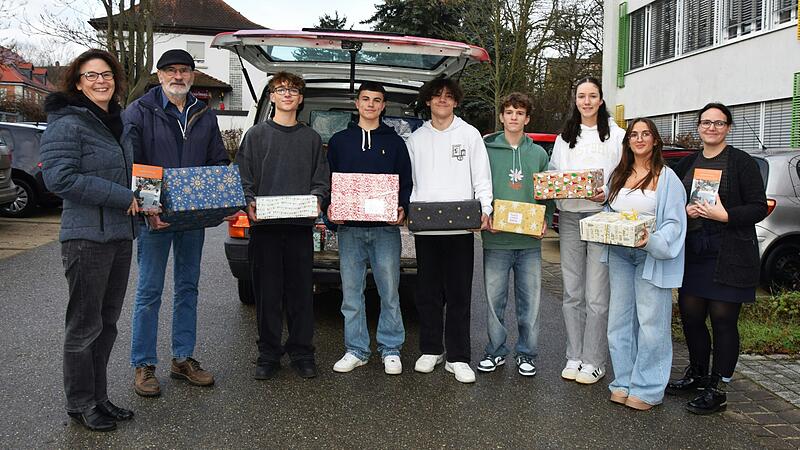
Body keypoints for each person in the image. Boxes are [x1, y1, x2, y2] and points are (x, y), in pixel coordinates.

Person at [41, 48, 139, 432]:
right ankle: (80, 402)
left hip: (119, 235)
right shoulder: (68, 123)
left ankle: (98, 396)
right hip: (86, 239)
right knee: (84, 326)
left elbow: (126, 177)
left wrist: (144, 201)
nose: (101, 81)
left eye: (107, 75)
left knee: (108, 323)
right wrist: (123, 197)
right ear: (78, 83)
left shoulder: (116, 121)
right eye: (91, 76)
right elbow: (59, 179)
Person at [124, 49, 229, 397]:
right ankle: (144, 364)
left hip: (192, 219)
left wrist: (223, 200)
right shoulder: (140, 112)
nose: (178, 76)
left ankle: (182, 358)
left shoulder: (204, 114)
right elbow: (134, 163)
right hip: (155, 218)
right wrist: (151, 209)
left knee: (188, 288)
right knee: (149, 292)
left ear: (193, 76)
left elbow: (217, 161)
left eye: (185, 70)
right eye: (171, 70)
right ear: (159, 75)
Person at [669, 103, 768, 414]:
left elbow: (758, 207)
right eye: (706, 122)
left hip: (730, 251)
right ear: (698, 126)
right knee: (691, 316)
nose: (712, 128)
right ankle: (698, 374)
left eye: (719, 123)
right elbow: (673, 203)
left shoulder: (742, 163)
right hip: (695, 250)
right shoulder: (687, 163)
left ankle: (718, 387)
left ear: (728, 127)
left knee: (724, 320)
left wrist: (727, 215)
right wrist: (683, 211)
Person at [237, 71, 331, 380]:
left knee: (301, 293)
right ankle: (268, 354)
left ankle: (302, 352)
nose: (287, 94)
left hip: (299, 228)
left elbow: (321, 181)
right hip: (264, 228)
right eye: (280, 89)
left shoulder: (311, 138)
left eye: (293, 90)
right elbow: (244, 177)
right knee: (267, 293)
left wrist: (318, 199)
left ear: (301, 99)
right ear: (273, 96)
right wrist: (248, 200)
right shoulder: (255, 136)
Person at [406, 78, 492, 384]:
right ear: (428, 101)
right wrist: (408, 211)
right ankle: (431, 350)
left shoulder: (469, 135)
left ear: (456, 101)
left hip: (460, 228)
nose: (442, 100)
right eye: (436, 96)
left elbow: (481, 177)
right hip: (427, 228)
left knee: (459, 294)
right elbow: (411, 183)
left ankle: (458, 357)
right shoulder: (415, 139)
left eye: (448, 96)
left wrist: (486, 209)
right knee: (428, 293)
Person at [327, 82, 412, 375]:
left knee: (389, 291)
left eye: (377, 100)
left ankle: (391, 349)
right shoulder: (340, 141)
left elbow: (406, 182)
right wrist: (330, 211)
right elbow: (330, 181)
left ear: (383, 105)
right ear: (357, 103)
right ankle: (356, 350)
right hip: (349, 229)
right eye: (366, 99)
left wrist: (403, 207)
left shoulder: (396, 143)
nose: (371, 104)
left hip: (385, 230)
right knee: (351, 294)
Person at [603, 118, 687, 410]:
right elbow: (608, 211)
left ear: (655, 140)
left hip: (651, 255)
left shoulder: (668, 178)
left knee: (652, 324)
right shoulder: (618, 174)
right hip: (619, 255)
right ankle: (623, 382)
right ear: (628, 142)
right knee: (619, 323)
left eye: (645, 134)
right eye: (634, 135)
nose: (639, 139)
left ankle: (648, 388)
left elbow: (676, 224)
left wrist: (650, 241)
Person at [549, 76, 625, 384]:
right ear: (576, 101)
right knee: (572, 292)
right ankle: (574, 355)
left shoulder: (616, 136)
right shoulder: (565, 137)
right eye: (582, 96)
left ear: (601, 100)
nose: (587, 101)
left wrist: (605, 193)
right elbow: (554, 173)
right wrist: (556, 188)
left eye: (593, 96)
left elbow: (623, 175)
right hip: (569, 217)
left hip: (599, 218)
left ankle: (594, 360)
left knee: (597, 295)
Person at [478, 92, 553, 377]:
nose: (513, 117)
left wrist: (545, 219)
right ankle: (495, 351)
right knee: (495, 300)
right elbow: (477, 184)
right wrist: (484, 215)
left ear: (527, 118)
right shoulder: (486, 150)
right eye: (509, 112)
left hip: (529, 242)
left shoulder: (538, 154)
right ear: (501, 116)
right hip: (496, 239)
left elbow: (548, 193)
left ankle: (526, 354)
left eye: (519, 113)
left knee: (530, 303)